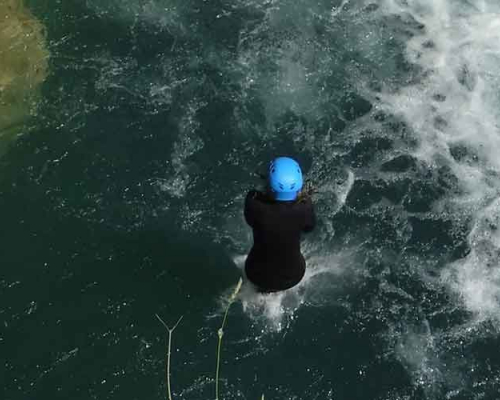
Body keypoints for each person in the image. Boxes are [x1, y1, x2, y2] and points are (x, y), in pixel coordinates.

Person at [244, 157, 316, 293]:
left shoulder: (254, 202)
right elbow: (309, 228)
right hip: (293, 277)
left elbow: (250, 221)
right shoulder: (305, 208)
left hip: (255, 274)